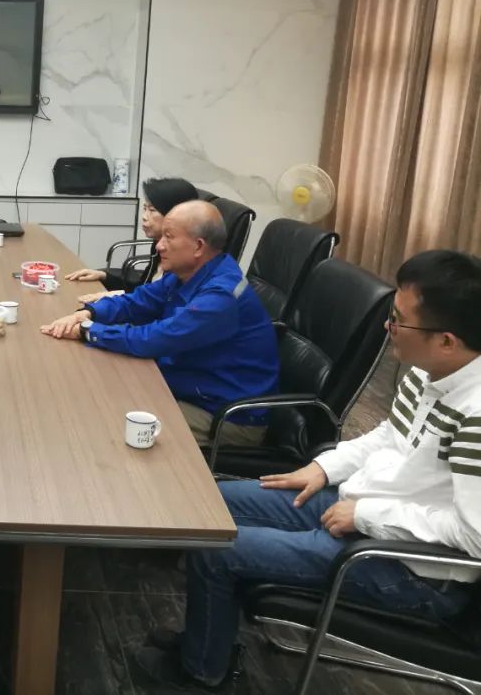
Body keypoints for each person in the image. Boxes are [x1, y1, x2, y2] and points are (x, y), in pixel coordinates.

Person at [136, 250, 481, 691]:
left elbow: (474, 537)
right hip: (360, 509)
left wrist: (366, 516)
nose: (388, 327)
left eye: (398, 320)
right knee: (212, 506)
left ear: (447, 341)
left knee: (217, 551)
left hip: (407, 568)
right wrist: (322, 467)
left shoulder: (475, 414)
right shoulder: (427, 373)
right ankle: (208, 639)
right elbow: (388, 437)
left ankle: (202, 671)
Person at [41, 200, 278, 445]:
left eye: (169, 237)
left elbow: (156, 339)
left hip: (224, 415)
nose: (159, 245)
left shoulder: (221, 296)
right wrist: (89, 313)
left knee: (113, 421)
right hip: (187, 385)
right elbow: (138, 301)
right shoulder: (187, 274)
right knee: (101, 392)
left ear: (198, 246)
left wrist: (88, 331)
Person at [65, 176, 198, 302]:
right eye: (144, 208)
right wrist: (104, 277)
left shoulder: (181, 261)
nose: (144, 217)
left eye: (152, 210)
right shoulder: (158, 245)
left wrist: (117, 296)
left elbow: (157, 304)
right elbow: (143, 287)